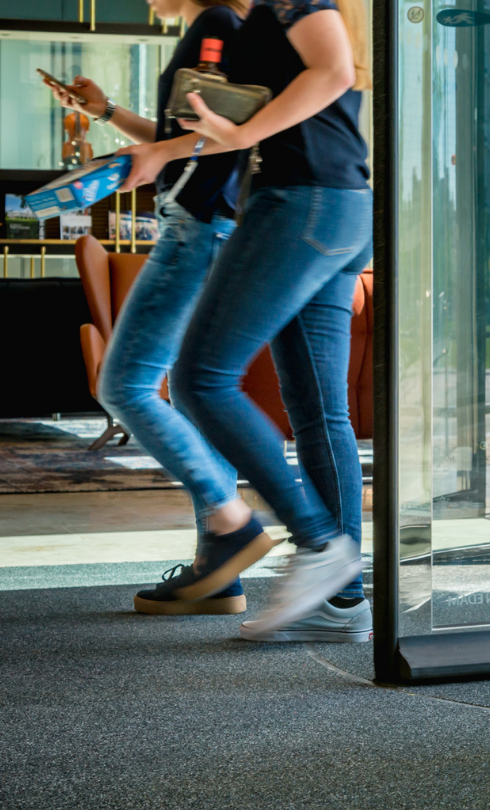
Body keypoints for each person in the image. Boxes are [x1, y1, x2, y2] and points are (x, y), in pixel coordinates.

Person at [116, 0, 372, 641]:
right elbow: (242, 120)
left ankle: (318, 547)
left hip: (302, 205)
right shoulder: (260, 15)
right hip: (334, 206)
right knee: (317, 408)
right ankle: (341, 604)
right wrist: (171, 147)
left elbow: (333, 71)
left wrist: (245, 136)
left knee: (202, 378)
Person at [47, 0, 265, 617]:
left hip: (196, 228)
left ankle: (234, 524)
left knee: (124, 384)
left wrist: (156, 158)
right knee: (194, 398)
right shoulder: (217, 27)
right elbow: (186, 138)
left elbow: (222, 134)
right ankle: (216, 569)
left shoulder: (217, 24)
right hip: (207, 226)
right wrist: (108, 113)